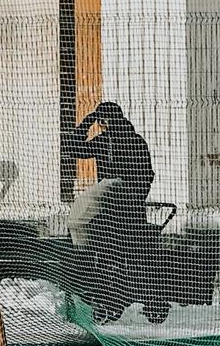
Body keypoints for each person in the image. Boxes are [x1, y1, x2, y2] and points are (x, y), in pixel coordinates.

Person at [65, 101, 157, 318]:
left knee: (100, 250)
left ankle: (94, 285)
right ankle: (125, 299)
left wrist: (86, 123)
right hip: (132, 212)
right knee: (126, 259)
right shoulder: (136, 140)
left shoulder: (107, 140)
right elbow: (147, 176)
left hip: (110, 215)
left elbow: (73, 149)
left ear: (103, 121)